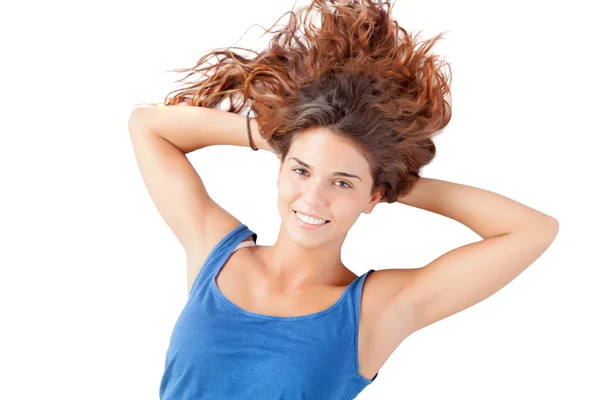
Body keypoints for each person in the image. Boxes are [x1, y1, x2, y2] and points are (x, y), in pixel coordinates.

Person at [127, 0, 559, 398]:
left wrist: (392, 180)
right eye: (301, 170)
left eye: (342, 183)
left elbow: (532, 231)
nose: (313, 198)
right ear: (280, 171)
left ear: (372, 197)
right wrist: (282, 136)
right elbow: (147, 126)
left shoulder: (373, 310)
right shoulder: (215, 254)